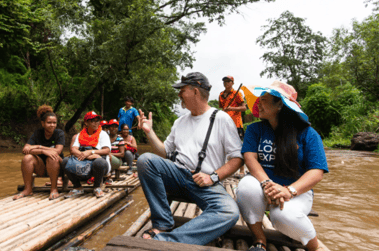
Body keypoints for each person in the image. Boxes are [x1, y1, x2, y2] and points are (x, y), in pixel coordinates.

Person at [137, 72, 243, 245]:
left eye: (182, 90)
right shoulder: (179, 122)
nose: (179, 95)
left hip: (206, 182)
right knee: (145, 160)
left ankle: (167, 240)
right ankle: (163, 224)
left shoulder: (221, 119)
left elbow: (237, 158)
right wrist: (150, 133)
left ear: (195, 91)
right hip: (177, 175)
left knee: (229, 211)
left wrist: (213, 177)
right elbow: (164, 153)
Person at [236, 81, 328, 251]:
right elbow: (250, 158)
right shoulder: (255, 129)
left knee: (282, 216)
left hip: (296, 191)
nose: (258, 103)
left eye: (264, 99)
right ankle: (259, 240)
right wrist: (266, 183)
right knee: (246, 188)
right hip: (263, 184)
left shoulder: (307, 133)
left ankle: (315, 247)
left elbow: (316, 171)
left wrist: (288, 191)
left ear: (280, 104)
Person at [13, 105, 65, 201]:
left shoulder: (59, 133)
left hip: (57, 167)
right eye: (49, 123)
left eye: (54, 123)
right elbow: (25, 149)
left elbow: (57, 151)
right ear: (43, 123)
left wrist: (38, 146)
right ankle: (28, 189)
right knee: (27, 158)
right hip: (42, 167)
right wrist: (43, 151)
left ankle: (54, 189)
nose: (52, 125)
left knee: (52, 157)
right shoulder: (38, 133)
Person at [62, 111, 111, 198]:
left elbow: (106, 150)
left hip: (98, 164)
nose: (96, 123)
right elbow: (73, 149)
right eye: (93, 121)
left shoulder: (103, 134)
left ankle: (97, 187)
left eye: (97, 120)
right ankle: (77, 187)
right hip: (83, 161)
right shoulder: (80, 134)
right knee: (65, 161)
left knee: (99, 161)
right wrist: (87, 156)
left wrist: (90, 152)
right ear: (86, 122)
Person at [219, 75, 247, 176]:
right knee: (222, 146)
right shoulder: (221, 95)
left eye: (228, 81)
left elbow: (244, 108)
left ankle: (242, 170)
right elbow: (222, 108)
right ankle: (222, 170)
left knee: (238, 146)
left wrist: (231, 108)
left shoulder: (237, 93)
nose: (226, 83)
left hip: (236, 123)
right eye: (224, 81)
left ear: (232, 83)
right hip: (224, 124)